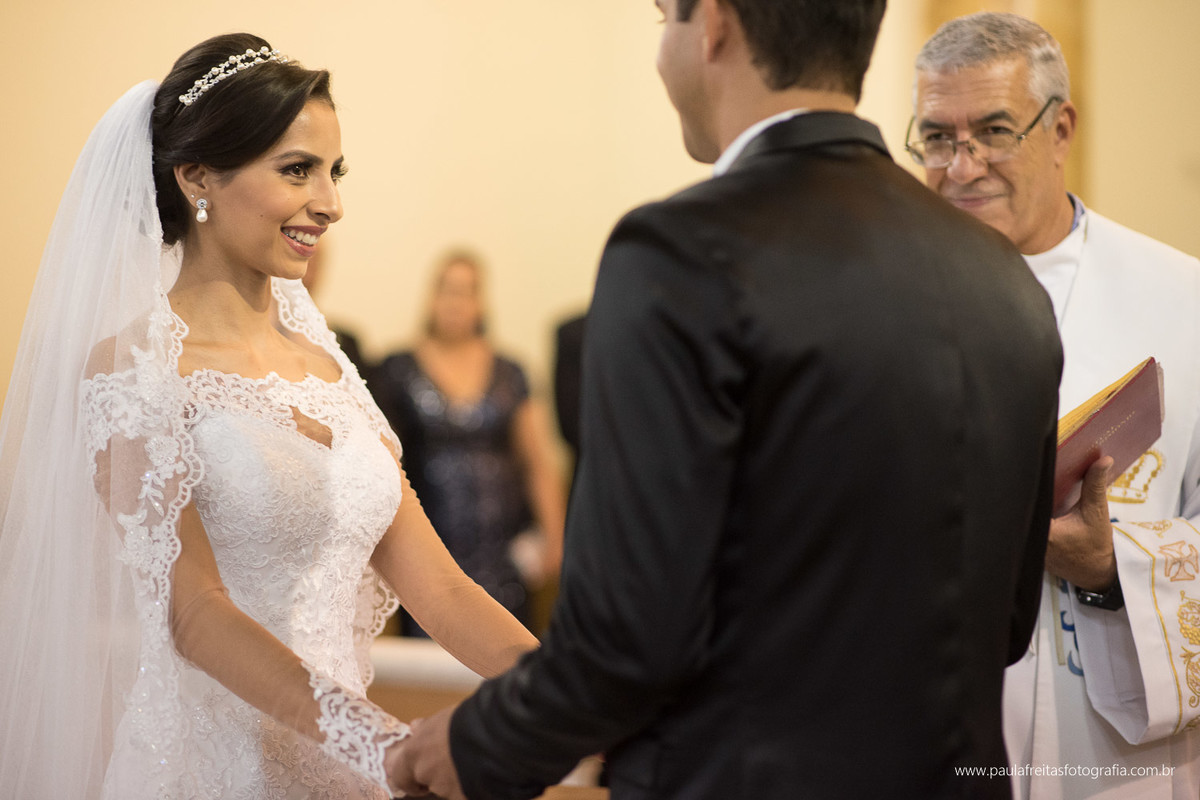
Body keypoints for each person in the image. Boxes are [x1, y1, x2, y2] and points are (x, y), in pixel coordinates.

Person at [393, 1, 1064, 797]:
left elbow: (624, 644)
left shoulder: (681, 254)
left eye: (660, 22)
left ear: (711, 23)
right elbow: (1008, 619)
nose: (662, 51)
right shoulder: (1004, 278)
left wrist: (472, 745)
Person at [0, 33, 537, 798]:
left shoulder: (330, 369)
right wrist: (376, 741)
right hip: (215, 771)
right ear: (197, 179)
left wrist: (568, 699)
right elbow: (195, 611)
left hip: (347, 773)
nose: (331, 203)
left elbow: (443, 591)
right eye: (297, 171)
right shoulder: (132, 369)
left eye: (334, 172)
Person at [909, 12, 1200, 797]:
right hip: (925, 733)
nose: (961, 167)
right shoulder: (875, 306)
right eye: (936, 138)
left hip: (1110, 751)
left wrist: (1111, 567)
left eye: (994, 131)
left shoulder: (1185, 304)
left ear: (1061, 126)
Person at [372, 251, 566, 632]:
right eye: (447, 289)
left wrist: (555, 537)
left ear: (482, 302)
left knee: (505, 659)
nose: (456, 302)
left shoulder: (511, 371)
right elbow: (382, 463)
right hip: (429, 553)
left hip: (503, 557)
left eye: (467, 291)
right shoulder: (397, 368)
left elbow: (537, 463)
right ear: (431, 297)